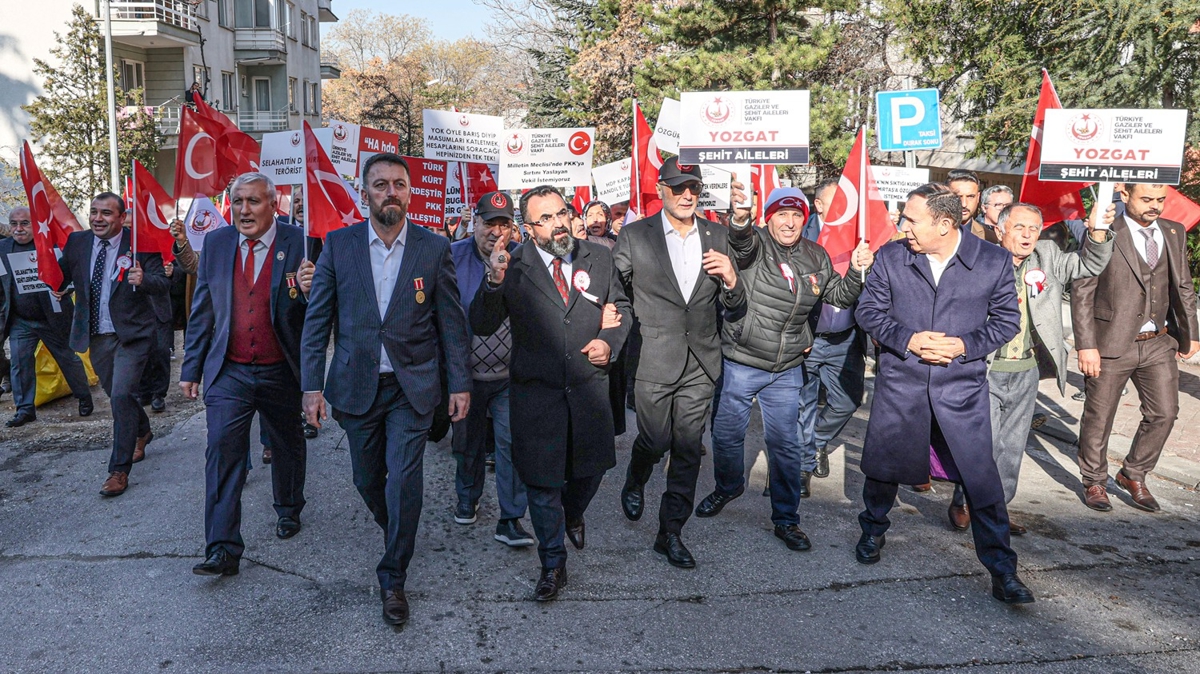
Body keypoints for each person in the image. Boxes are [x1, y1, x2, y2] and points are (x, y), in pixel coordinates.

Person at [301, 152, 471, 627]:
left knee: (403, 480)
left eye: (398, 184)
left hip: (412, 386)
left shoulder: (434, 248)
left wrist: (459, 384)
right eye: (380, 185)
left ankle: (392, 575)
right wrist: (310, 387)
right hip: (355, 385)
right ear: (365, 193)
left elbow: (451, 324)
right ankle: (399, 526)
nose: (390, 192)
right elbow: (317, 324)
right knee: (367, 480)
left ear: (409, 191)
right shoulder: (338, 245)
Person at [854, 182, 1033, 605]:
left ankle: (1003, 570)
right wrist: (908, 339)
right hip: (902, 385)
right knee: (882, 469)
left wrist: (964, 345)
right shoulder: (893, 256)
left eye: (911, 220)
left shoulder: (991, 260)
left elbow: (1008, 320)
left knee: (981, 481)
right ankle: (872, 531)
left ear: (945, 223)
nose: (903, 227)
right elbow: (868, 311)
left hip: (961, 390)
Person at [471, 185, 631, 600]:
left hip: (588, 391)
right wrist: (493, 279)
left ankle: (574, 513)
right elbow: (483, 323)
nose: (558, 223)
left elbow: (622, 308)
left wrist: (609, 341)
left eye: (562, 213)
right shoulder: (514, 265)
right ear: (528, 228)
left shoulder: (599, 256)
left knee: (589, 473)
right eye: (546, 218)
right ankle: (552, 563)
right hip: (535, 395)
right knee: (542, 486)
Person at [696, 185, 870, 551]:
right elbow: (740, 238)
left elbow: (837, 296)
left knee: (785, 445)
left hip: (788, 366)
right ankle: (727, 487)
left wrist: (855, 271)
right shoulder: (755, 243)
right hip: (742, 360)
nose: (789, 222)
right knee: (727, 437)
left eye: (796, 215)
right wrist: (741, 215)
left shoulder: (816, 255)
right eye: (782, 214)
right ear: (769, 217)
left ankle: (787, 519)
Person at [946, 201, 1114, 533]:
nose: (1027, 235)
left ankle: (997, 509)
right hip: (985, 369)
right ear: (1000, 230)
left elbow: (1091, 264)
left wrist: (1096, 231)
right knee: (985, 443)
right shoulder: (977, 261)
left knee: (1011, 446)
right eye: (1019, 228)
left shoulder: (1048, 258)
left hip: (1026, 370)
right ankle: (965, 500)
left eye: (1034, 229)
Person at [181, 172, 316, 576]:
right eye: (238, 201)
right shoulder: (217, 243)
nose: (244, 210)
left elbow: (320, 318)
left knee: (287, 443)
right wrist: (191, 367)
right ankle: (222, 547)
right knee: (221, 449)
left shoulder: (301, 243)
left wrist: (312, 292)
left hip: (281, 370)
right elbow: (203, 309)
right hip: (230, 371)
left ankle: (289, 506)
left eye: (253, 201)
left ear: (273, 205)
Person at [614, 157, 744, 569]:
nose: (688, 195)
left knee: (688, 449)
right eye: (678, 187)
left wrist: (732, 280)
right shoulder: (636, 235)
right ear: (662, 189)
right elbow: (616, 291)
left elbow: (736, 306)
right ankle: (636, 475)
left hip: (701, 362)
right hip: (654, 355)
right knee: (655, 440)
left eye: (694, 187)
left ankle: (670, 532)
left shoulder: (718, 236)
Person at [1071, 182, 1199, 513]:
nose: (1154, 205)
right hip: (1110, 341)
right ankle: (1094, 479)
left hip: (1158, 340)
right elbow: (1083, 289)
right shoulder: (1104, 230)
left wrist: (1191, 333)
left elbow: (1183, 285)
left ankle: (1133, 473)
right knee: (1100, 416)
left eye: (1160, 199)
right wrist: (1086, 345)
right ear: (1124, 195)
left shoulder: (1173, 230)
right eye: (1146, 199)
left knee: (1165, 412)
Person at [56, 192, 171, 497]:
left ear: (122, 218)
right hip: (97, 335)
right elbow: (62, 275)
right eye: (94, 212)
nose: (98, 218)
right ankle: (143, 430)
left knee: (121, 394)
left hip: (132, 335)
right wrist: (57, 286)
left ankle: (118, 470)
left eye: (106, 213)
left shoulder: (140, 241)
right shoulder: (77, 242)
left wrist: (143, 278)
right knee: (119, 394)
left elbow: (162, 284)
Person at [449, 191, 533, 547]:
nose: (495, 231)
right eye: (488, 222)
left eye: (503, 223)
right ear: (475, 222)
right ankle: (467, 496)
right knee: (467, 443)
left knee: (511, 444)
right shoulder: (451, 257)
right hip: (465, 376)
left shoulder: (523, 259)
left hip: (508, 376)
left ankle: (511, 518)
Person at [798, 179, 868, 482]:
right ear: (819, 205)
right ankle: (800, 466)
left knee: (847, 401)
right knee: (804, 403)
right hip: (808, 337)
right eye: (835, 201)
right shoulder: (800, 236)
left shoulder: (861, 237)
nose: (844, 208)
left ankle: (815, 443)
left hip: (846, 338)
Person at [0, 206, 94, 426]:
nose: (19, 229)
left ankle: (84, 398)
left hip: (53, 317)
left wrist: (66, 289)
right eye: (14, 224)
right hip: (21, 320)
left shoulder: (51, 246)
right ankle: (24, 409)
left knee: (68, 359)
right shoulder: (2, 249)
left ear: (35, 226)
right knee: (20, 363)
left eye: (24, 223)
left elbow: (72, 276)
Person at [946, 169, 999, 243]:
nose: (964, 204)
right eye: (957, 197)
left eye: (970, 196)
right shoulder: (929, 232)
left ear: (978, 197)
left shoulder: (989, 238)